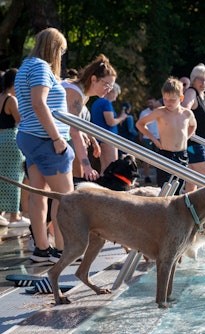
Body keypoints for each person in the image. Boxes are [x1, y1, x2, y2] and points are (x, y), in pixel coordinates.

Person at [15, 27, 75, 262]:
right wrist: (57, 138)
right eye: (61, 50)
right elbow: (39, 104)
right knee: (66, 198)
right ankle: (63, 249)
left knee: (39, 195)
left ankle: (42, 248)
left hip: (30, 137)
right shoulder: (41, 67)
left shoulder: (24, 67)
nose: (61, 56)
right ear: (54, 48)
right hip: (45, 140)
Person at [62, 54, 118, 180]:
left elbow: (78, 124)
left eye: (111, 86)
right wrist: (87, 166)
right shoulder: (75, 91)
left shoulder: (84, 94)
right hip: (43, 139)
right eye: (106, 85)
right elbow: (74, 131)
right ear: (93, 79)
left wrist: (92, 139)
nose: (108, 90)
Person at [136, 77, 196, 189]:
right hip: (166, 154)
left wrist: (186, 137)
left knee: (179, 187)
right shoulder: (160, 112)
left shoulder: (187, 114)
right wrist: (154, 139)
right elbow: (140, 124)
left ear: (181, 98)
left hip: (182, 154)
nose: (168, 103)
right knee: (165, 186)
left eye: (172, 100)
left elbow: (193, 125)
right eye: (165, 99)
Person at [0, 68, 30, 228]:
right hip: (12, 140)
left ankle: (2, 213)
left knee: (2, 176)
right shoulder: (12, 99)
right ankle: (14, 215)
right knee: (15, 177)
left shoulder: (1, 97)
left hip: (0, 139)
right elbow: (21, 120)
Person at [181, 63, 205, 192]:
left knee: (192, 175)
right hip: (194, 142)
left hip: (202, 143)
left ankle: (190, 204)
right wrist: (191, 127)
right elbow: (184, 109)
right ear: (193, 79)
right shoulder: (191, 92)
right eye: (200, 79)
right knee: (204, 172)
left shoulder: (203, 96)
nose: (204, 82)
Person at [91, 82, 127, 175]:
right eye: (116, 95)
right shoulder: (106, 102)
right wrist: (122, 117)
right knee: (112, 167)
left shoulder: (97, 102)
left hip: (100, 138)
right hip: (108, 138)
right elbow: (110, 122)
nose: (115, 98)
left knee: (104, 167)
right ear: (111, 91)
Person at [138, 97, 161, 183]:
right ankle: (146, 176)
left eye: (151, 102)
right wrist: (140, 136)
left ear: (155, 102)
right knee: (147, 158)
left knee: (159, 158)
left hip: (159, 137)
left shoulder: (160, 112)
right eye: (148, 103)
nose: (150, 104)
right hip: (147, 138)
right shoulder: (144, 113)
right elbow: (140, 124)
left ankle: (159, 175)